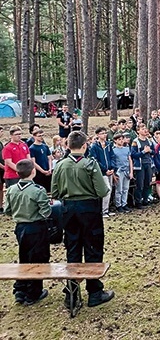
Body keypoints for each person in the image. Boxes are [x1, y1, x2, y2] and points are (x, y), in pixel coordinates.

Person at [51, 131, 114, 308]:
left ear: (67, 146)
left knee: (72, 249)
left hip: (68, 210)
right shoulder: (90, 164)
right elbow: (102, 191)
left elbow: (55, 192)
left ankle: (71, 294)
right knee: (93, 248)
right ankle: (94, 292)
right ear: (85, 145)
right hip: (89, 209)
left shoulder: (61, 165)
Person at [5, 159, 51, 305]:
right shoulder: (38, 190)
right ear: (33, 171)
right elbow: (46, 212)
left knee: (23, 257)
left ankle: (20, 289)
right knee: (38, 259)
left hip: (20, 227)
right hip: (36, 227)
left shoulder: (12, 189)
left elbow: (7, 210)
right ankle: (33, 293)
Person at [88, 127, 115, 217]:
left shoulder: (108, 145)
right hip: (102, 172)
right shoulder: (95, 147)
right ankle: (103, 210)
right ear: (98, 135)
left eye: (105, 133)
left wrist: (112, 168)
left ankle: (107, 208)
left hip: (110, 171)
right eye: (102, 133)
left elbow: (112, 156)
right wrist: (105, 169)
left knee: (110, 189)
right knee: (106, 189)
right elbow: (95, 160)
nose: (104, 135)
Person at [131, 125, 154, 208]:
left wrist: (150, 151)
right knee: (140, 184)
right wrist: (143, 152)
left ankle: (145, 199)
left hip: (148, 164)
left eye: (145, 128)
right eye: (142, 129)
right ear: (138, 131)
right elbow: (133, 154)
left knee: (147, 183)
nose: (145, 130)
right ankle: (138, 202)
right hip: (140, 165)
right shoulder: (135, 141)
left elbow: (154, 151)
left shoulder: (149, 140)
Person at [111, 133, 133, 213]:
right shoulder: (113, 150)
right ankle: (118, 204)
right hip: (119, 172)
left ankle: (124, 203)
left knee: (125, 188)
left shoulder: (126, 149)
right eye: (119, 139)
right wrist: (114, 174)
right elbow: (113, 162)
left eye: (122, 139)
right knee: (119, 189)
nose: (121, 141)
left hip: (126, 171)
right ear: (115, 141)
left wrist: (131, 172)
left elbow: (130, 160)